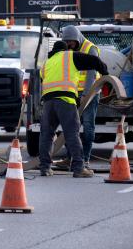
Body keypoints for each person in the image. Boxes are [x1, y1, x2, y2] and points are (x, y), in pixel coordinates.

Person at [38, 40, 109, 178]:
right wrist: (105, 72)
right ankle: (78, 168)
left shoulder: (47, 63)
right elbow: (94, 60)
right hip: (65, 101)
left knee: (46, 135)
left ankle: (45, 168)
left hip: (48, 103)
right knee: (72, 134)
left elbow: (43, 79)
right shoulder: (70, 56)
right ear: (65, 50)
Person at [61, 25, 101, 168]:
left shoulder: (90, 49)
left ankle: (85, 159)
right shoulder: (69, 50)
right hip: (73, 93)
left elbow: (91, 73)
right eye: (66, 43)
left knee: (88, 126)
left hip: (89, 93)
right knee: (71, 126)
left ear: (76, 38)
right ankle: (69, 158)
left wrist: (86, 94)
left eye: (70, 42)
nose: (69, 45)